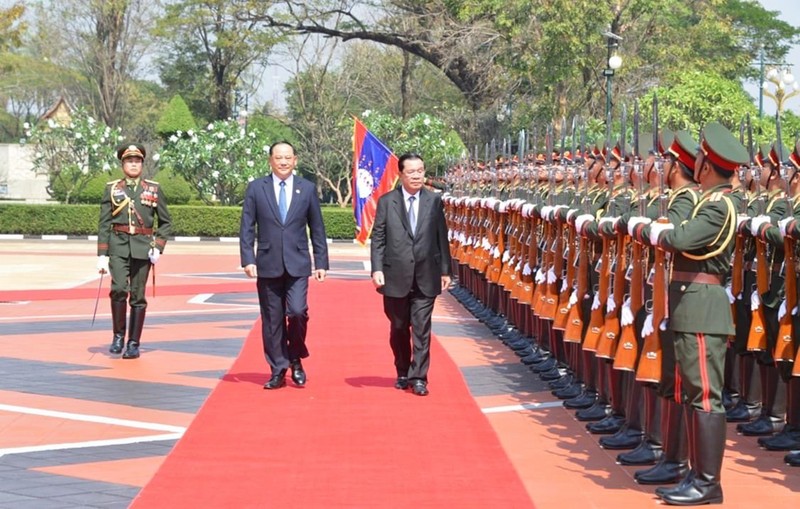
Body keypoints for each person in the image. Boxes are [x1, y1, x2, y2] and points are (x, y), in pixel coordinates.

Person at [628, 121, 748, 505]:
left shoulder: (718, 207)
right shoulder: (706, 203)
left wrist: (652, 232)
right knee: (688, 392)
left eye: (698, 158)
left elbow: (679, 237)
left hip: (702, 307)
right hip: (688, 302)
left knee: (706, 398)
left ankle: (708, 483)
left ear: (707, 166)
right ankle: (691, 472)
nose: (693, 163)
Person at [239, 141, 329, 390]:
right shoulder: (257, 188)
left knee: (298, 312)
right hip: (267, 263)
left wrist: (321, 260)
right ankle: (278, 369)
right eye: (278, 157)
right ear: (270, 160)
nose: (283, 162)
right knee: (272, 319)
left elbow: (317, 228)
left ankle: (295, 358)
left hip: (298, 263)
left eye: (288, 157)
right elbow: (247, 226)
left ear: (295, 160)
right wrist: (247, 258)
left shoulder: (307, 189)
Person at [370, 153, 452, 396]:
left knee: (421, 327)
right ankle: (402, 370)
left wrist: (446, 269)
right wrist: (376, 268)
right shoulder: (387, 202)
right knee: (398, 327)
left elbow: (441, 236)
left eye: (420, 171)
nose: (417, 176)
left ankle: (419, 377)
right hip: (395, 275)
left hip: (426, 273)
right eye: (411, 172)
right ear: (401, 174)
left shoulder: (434, 201)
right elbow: (379, 238)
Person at [97, 144, 172, 359]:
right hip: (118, 245)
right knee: (119, 289)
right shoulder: (112, 189)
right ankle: (118, 336)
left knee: (138, 296)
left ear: (142, 164)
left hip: (142, 247)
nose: (133, 164)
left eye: (137, 161)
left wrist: (158, 247)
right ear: (122, 164)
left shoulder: (153, 189)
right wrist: (101, 254)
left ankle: (133, 343)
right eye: (129, 161)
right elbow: (104, 223)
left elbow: (165, 222)